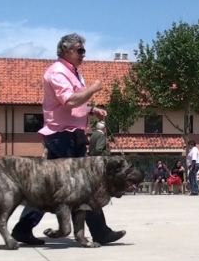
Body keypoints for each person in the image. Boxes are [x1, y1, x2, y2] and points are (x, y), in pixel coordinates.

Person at [11, 33, 125, 246]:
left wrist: (91, 110)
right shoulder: (57, 72)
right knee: (78, 186)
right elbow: (69, 101)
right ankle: (99, 231)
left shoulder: (73, 73)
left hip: (72, 135)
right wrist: (93, 89)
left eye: (84, 50)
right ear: (65, 50)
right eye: (79, 50)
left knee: (65, 186)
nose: (84, 54)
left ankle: (23, 228)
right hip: (62, 137)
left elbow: (75, 104)